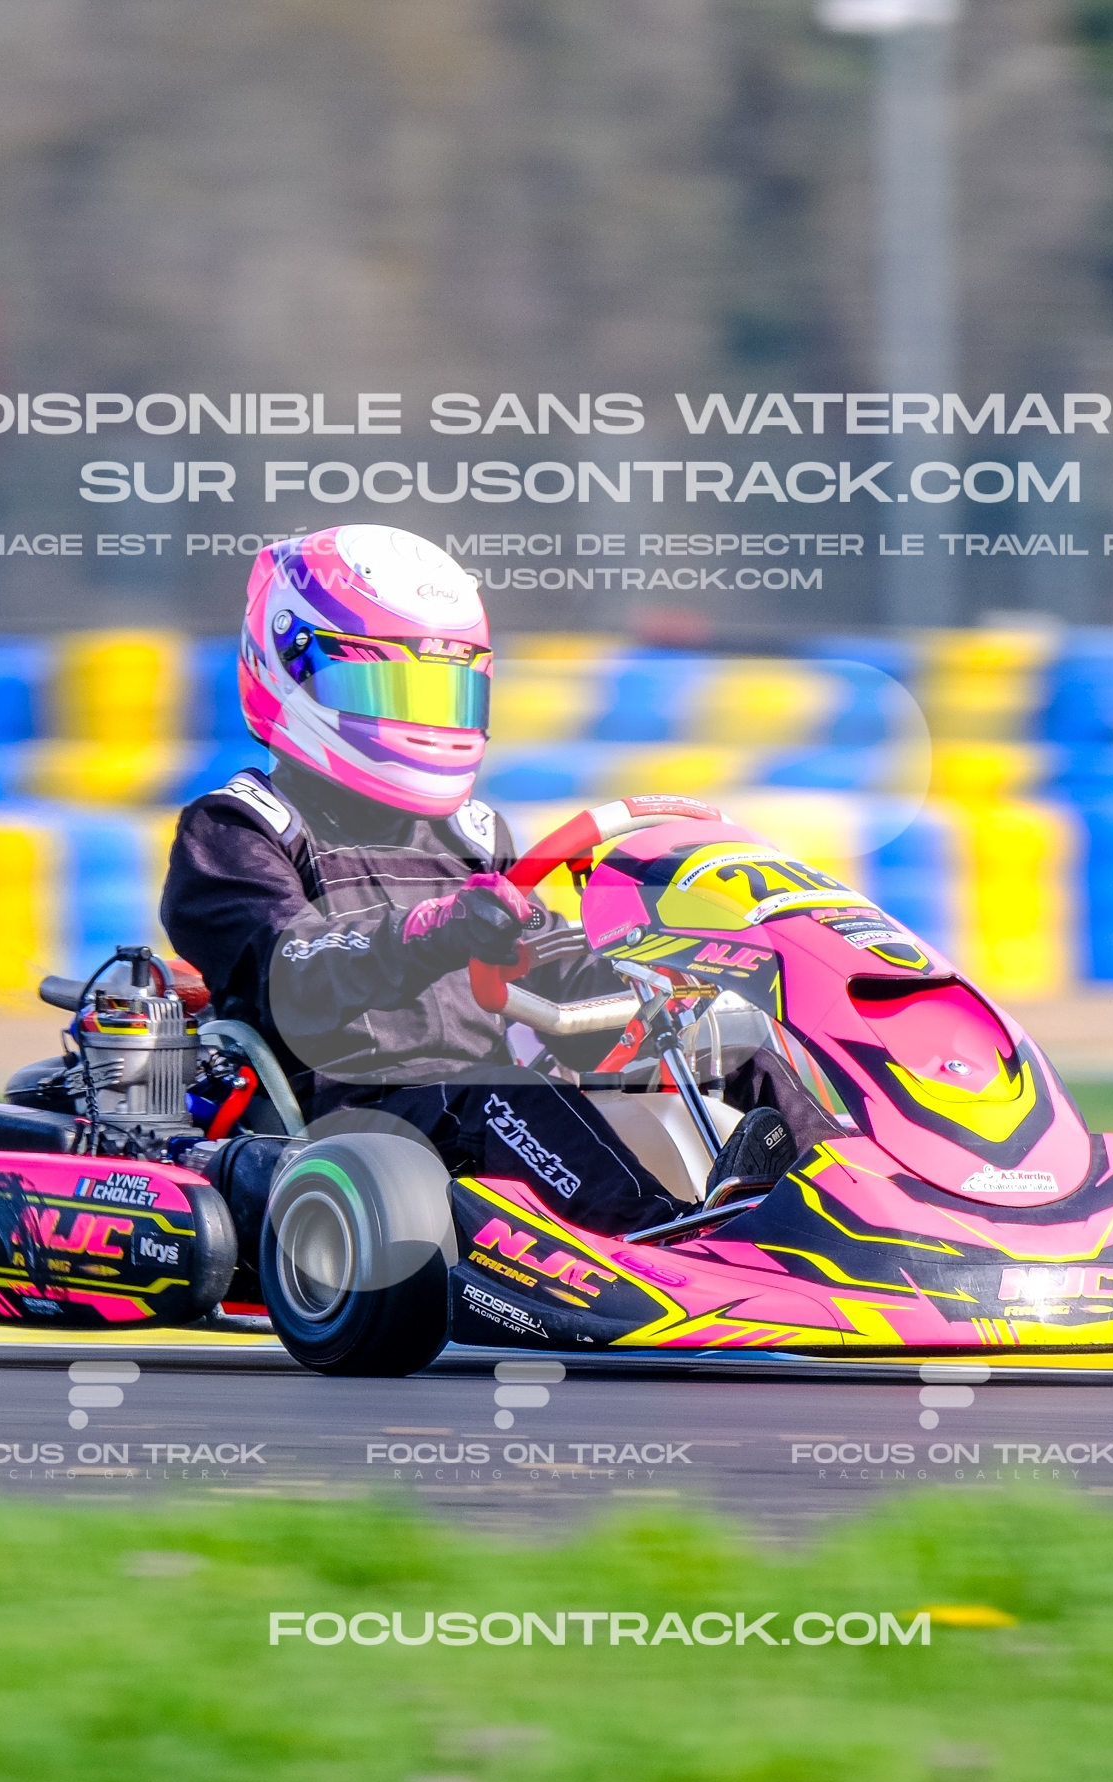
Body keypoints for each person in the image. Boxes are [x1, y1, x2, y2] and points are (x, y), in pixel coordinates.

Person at [160, 524, 757, 1243]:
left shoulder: (470, 835)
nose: (421, 719)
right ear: (291, 668)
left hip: (478, 1105)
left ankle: (847, 1215)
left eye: (443, 696)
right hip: (353, 1118)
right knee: (511, 1095)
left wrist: (667, 980)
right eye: (385, 689)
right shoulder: (240, 828)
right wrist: (431, 931)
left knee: (742, 1039)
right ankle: (675, 1249)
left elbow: (544, 962)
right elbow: (294, 972)